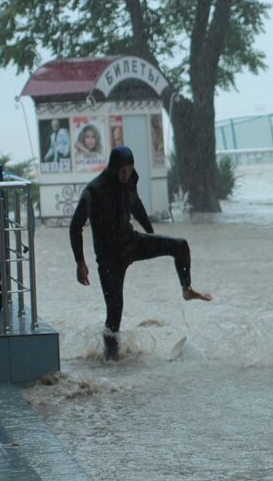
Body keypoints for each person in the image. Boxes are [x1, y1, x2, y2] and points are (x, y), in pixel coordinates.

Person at [70, 146, 212, 360]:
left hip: (131, 243)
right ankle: (111, 360)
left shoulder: (129, 181)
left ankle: (187, 288)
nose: (127, 175)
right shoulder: (94, 191)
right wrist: (80, 262)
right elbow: (75, 226)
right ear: (114, 168)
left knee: (179, 245)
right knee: (115, 311)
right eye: (123, 170)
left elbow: (136, 206)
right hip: (110, 258)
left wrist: (151, 235)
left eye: (130, 169)